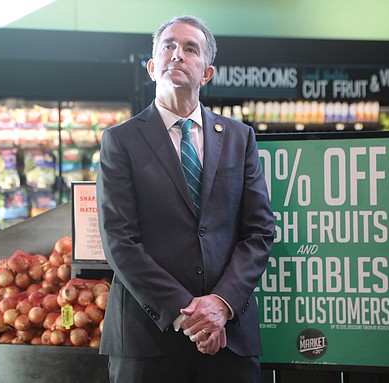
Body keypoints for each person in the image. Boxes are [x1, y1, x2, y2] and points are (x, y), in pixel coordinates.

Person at [95, 15, 275, 383]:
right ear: (151, 66)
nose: (177, 55)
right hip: (147, 340)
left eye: (190, 49)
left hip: (229, 337)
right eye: (168, 46)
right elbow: (120, 242)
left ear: (206, 73)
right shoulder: (120, 141)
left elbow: (259, 232)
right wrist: (189, 314)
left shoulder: (240, 138)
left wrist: (221, 305)